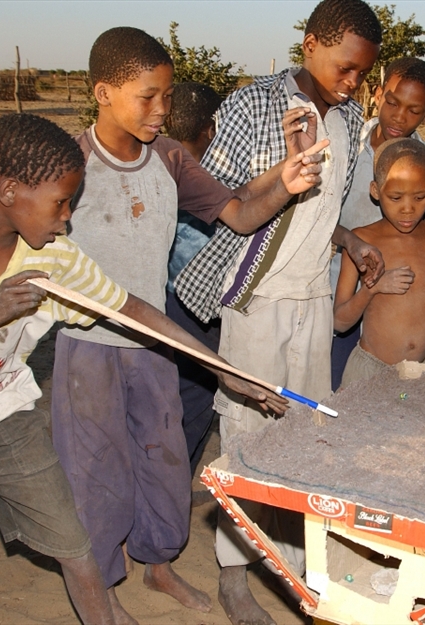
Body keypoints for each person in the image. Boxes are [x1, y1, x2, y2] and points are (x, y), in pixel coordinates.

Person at [0, 113, 285, 625]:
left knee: (75, 547)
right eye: (61, 203)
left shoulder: (57, 260)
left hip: (5, 426)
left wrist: (219, 367)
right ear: (9, 191)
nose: (67, 219)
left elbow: (132, 309)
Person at [51, 27, 328, 624]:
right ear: (103, 91)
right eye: (146, 96)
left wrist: (286, 179)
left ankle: (159, 563)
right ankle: (102, 590)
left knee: (165, 456)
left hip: (155, 343)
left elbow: (240, 214)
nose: (161, 109)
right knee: (97, 470)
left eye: (167, 96)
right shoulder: (69, 164)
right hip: (87, 348)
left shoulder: (172, 158)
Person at [172, 3, 383, 623]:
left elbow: (322, 212)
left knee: (306, 435)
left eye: (361, 74)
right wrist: (279, 176)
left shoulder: (346, 121)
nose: (351, 83)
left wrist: (350, 240)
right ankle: (234, 575)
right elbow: (215, 199)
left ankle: (292, 559)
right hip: (257, 300)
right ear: (311, 42)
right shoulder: (255, 105)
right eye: (345, 67)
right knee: (245, 434)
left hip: (314, 299)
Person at [330, 56, 425, 389]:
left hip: (402, 303)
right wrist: (350, 242)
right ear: (378, 93)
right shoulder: (346, 147)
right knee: (341, 384)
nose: (400, 116)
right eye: (393, 103)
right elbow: (319, 216)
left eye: (414, 110)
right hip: (338, 290)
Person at [334, 139, 425, 386]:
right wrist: (374, 288)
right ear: (375, 190)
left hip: (421, 371)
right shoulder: (362, 240)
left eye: (419, 197)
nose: (408, 209)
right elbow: (340, 322)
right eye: (395, 197)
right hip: (370, 372)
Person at [164, 82, 224, 479]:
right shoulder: (204, 178)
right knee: (195, 399)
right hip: (197, 312)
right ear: (210, 128)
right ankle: (171, 487)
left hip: (157, 303)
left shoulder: (152, 164)